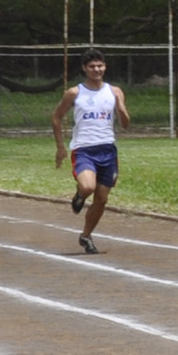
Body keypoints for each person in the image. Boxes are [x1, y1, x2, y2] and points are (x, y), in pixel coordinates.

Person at [51, 49, 128, 255]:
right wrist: (60, 147)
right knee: (87, 187)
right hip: (84, 149)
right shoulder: (75, 93)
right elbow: (56, 117)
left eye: (100, 65)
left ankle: (85, 236)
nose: (97, 69)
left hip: (107, 149)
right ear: (85, 69)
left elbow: (126, 124)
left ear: (105, 66)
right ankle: (79, 195)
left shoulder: (114, 91)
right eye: (92, 66)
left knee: (102, 199)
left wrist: (120, 107)